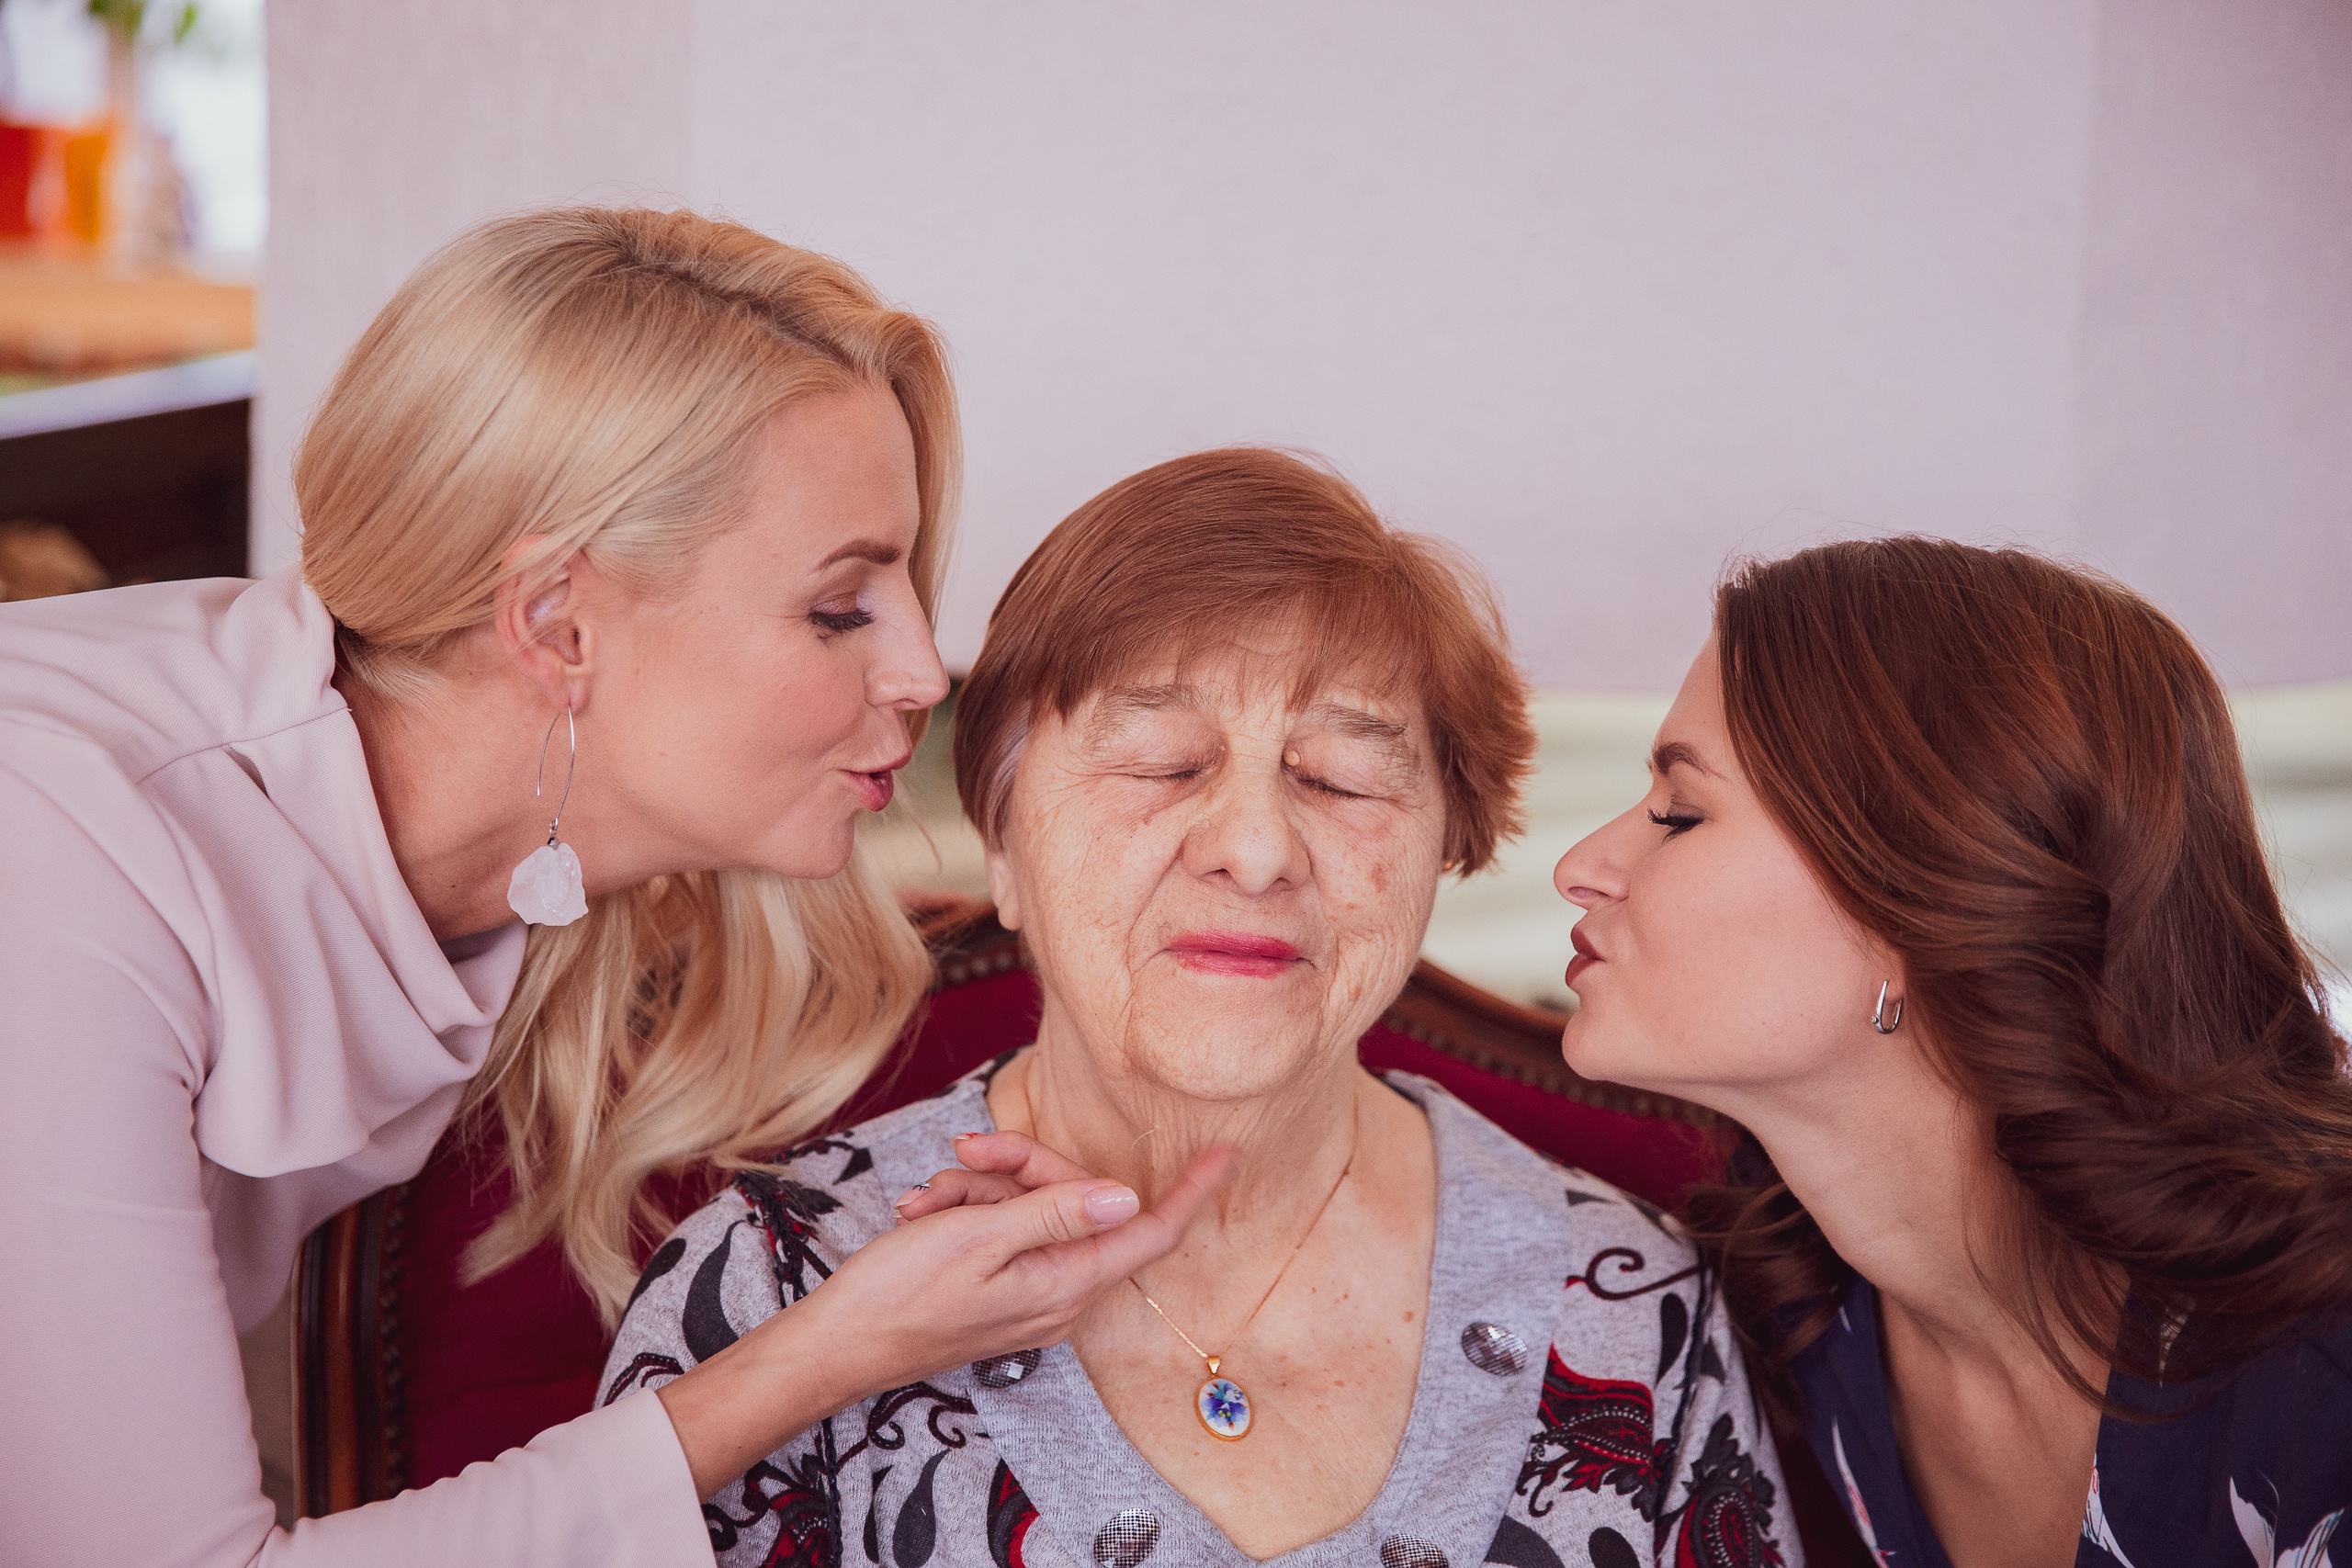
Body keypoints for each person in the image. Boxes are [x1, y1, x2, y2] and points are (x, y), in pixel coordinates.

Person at [0, 208, 1220, 1568]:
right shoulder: (60, 851)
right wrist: (826, 1351)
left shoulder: (553, 871)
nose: (926, 672)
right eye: (838, 607)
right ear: (556, 625)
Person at [604, 448, 1793, 1568]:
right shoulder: (774, 1285)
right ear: (1004, 850)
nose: (1258, 847)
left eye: (1340, 777)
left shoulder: (1635, 1306)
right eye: (1163, 762)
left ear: (1449, 853)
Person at [1552, 537, 2352, 1568]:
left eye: (1680, 813)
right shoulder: (1797, 1305)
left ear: (1913, 903)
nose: (1581, 867)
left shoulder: (2320, 1369)